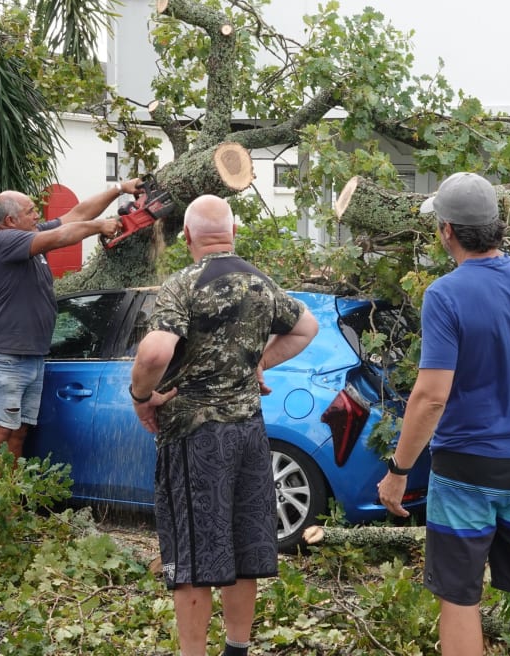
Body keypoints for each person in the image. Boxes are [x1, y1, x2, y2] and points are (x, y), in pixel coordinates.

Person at [377, 172, 510, 656]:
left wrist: (398, 471)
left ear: (446, 230)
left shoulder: (445, 295)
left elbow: (431, 397)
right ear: (496, 224)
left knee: (459, 596)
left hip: (466, 469)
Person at [130, 194, 318, 656]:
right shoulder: (260, 282)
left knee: (194, 557)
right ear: (232, 233)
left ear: (189, 236)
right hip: (250, 434)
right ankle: (237, 649)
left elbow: (154, 353)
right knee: (243, 547)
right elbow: (306, 327)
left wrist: (141, 396)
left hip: (196, 437)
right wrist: (259, 363)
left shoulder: (182, 286)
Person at [0, 179, 143, 535]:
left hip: (30, 356)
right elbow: (64, 235)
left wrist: (119, 188)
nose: (36, 216)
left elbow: (75, 214)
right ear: (10, 220)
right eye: (30, 213)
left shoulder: (27, 234)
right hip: (3, 356)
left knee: (17, 434)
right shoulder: (4, 242)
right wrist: (99, 227)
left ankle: (5, 506)